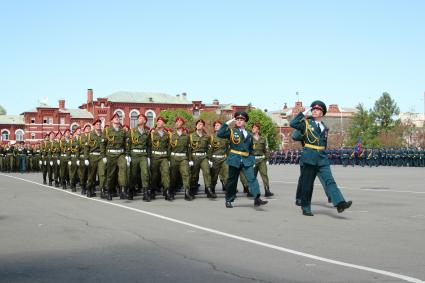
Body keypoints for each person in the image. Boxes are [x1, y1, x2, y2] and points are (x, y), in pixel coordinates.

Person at [290, 100, 352, 216]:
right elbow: (293, 123)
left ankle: (339, 203)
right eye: (313, 109)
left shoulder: (324, 127)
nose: (314, 111)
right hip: (309, 157)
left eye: (317, 109)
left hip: (322, 158)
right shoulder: (306, 124)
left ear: (322, 113)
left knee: (329, 180)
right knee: (307, 184)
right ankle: (306, 207)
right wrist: (303, 113)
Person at [217, 111, 268, 208]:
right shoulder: (232, 131)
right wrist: (227, 123)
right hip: (234, 159)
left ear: (245, 121)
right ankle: (229, 200)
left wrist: (252, 160)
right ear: (235, 121)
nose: (239, 121)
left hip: (246, 159)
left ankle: (257, 198)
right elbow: (220, 133)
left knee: (252, 179)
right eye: (238, 119)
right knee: (232, 181)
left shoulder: (249, 134)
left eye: (242, 120)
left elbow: (251, 150)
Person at [169, 116, 193, 200]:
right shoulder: (171, 135)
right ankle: (171, 191)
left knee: (186, 174)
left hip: (183, 157)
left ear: (182, 124)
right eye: (176, 122)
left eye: (179, 122)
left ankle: (187, 192)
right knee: (173, 175)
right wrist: (168, 159)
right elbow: (168, 148)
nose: (177, 123)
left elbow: (189, 148)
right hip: (174, 157)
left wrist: (190, 159)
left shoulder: (186, 136)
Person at [128, 114, 151, 201]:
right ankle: (131, 191)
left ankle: (145, 193)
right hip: (134, 155)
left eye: (141, 118)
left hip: (143, 156)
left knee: (145, 173)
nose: (139, 119)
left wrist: (148, 157)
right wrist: (128, 155)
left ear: (144, 121)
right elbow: (128, 144)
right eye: (138, 118)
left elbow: (149, 145)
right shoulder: (132, 131)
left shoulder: (147, 132)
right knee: (133, 174)